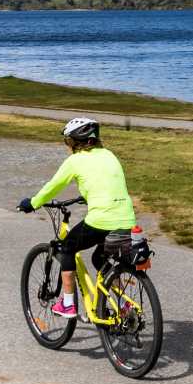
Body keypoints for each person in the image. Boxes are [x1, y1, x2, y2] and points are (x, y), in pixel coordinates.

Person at [16, 117, 137, 318]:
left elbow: (53, 186)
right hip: (127, 219)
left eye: (68, 141)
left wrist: (33, 203)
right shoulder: (109, 155)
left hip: (101, 220)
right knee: (99, 259)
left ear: (75, 142)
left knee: (66, 248)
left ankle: (68, 304)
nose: (68, 146)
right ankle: (124, 305)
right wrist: (88, 195)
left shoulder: (75, 161)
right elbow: (108, 183)